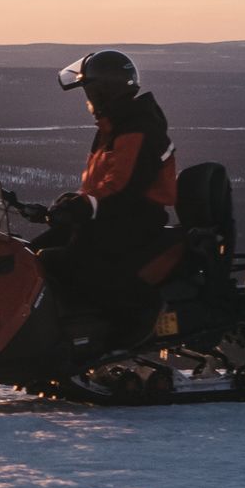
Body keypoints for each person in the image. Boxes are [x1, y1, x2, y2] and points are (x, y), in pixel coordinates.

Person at [45, 50, 179, 336]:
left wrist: (85, 206)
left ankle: (135, 319)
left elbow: (125, 186)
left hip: (135, 217)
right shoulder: (116, 126)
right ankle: (62, 329)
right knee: (34, 251)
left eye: (89, 93)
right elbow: (102, 182)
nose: (88, 101)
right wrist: (66, 206)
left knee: (72, 263)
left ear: (103, 92)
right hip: (113, 214)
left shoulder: (137, 128)